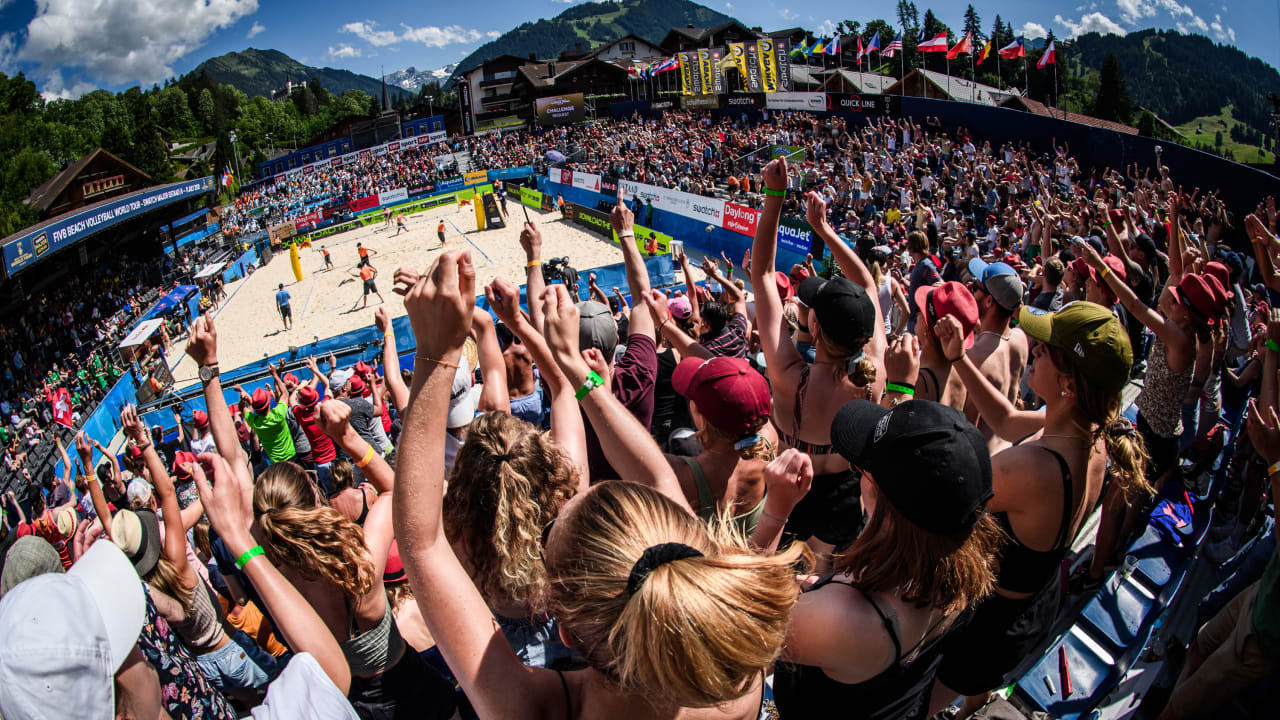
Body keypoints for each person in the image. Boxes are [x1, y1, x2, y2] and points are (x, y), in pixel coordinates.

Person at [391, 250, 807, 720]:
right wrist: (571, 369)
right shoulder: (739, 681)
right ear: (694, 553)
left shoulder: (538, 708)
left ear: (567, 631)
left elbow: (422, 542)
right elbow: (658, 477)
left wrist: (437, 354)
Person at [0, 454, 362, 720]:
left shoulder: (151, 586)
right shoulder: (173, 563)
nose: (141, 647)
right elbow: (329, 675)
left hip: (210, 664)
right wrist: (236, 536)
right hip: (229, 650)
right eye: (125, 651)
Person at [928, 302, 1149, 718]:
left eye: (1045, 350)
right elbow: (1009, 421)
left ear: (1068, 384)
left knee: (917, 707)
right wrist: (959, 358)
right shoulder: (1088, 431)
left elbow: (939, 509)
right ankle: (973, 708)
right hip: (1033, 604)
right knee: (975, 689)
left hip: (986, 629)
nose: (1035, 350)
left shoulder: (1031, 469)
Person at [763, 399, 1000, 720]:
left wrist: (775, 513)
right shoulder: (970, 565)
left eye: (861, 469)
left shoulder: (844, 619)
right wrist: (826, 595)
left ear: (886, 507)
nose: (856, 474)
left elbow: (734, 630)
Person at [253, 401, 457, 718]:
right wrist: (346, 436)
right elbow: (392, 492)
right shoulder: (358, 561)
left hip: (357, 704)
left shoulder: (278, 583)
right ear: (315, 495)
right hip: (412, 685)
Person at [750, 157, 886, 559]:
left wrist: (775, 196)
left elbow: (762, 273)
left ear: (815, 325)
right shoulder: (874, 372)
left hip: (792, 483)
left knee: (776, 567)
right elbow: (867, 284)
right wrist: (824, 229)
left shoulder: (790, 375)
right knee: (821, 571)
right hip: (845, 491)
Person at [963, 259, 1030, 452]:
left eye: (975, 288)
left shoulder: (974, 357)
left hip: (981, 458)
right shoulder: (1020, 339)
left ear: (989, 301)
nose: (971, 292)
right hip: (1006, 447)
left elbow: (967, 427)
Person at [239, 385, 296, 465]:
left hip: (276, 463)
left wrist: (242, 398)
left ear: (256, 410)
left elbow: (242, 408)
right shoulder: (278, 415)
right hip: (292, 457)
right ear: (268, 403)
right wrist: (275, 377)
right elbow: (285, 393)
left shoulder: (254, 422)